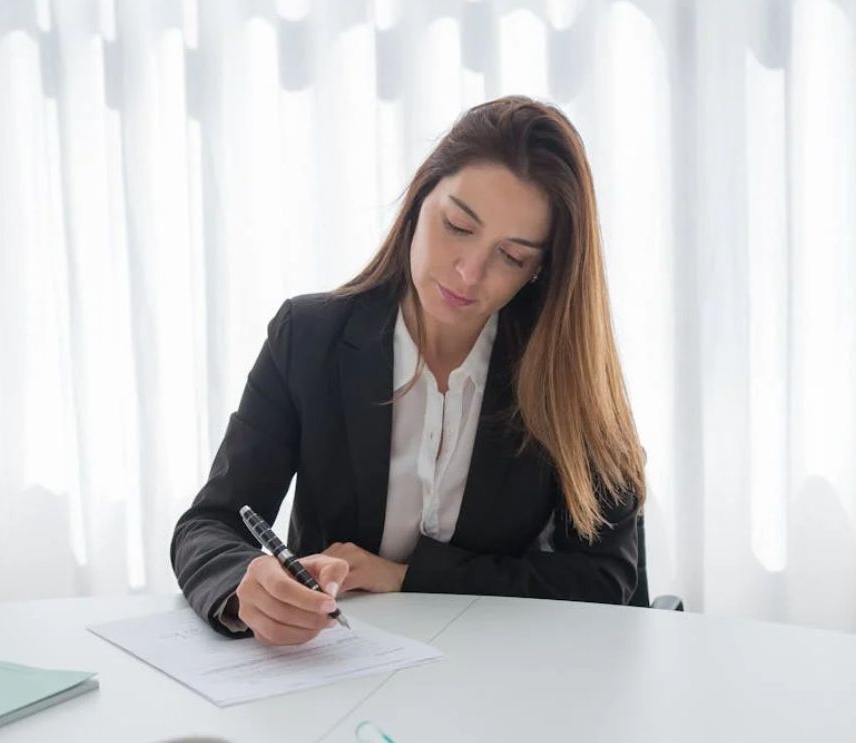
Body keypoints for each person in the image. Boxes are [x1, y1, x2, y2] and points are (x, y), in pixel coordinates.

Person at [171, 95, 647, 645]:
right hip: (337, 667)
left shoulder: (565, 370)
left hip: (505, 670)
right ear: (421, 199)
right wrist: (243, 585)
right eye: (458, 226)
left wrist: (407, 578)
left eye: (512, 257)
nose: (469, 273)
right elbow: (209, 525)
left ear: (541, 271)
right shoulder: (308, 338)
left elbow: (605, 578)